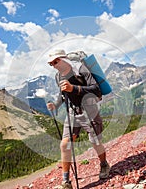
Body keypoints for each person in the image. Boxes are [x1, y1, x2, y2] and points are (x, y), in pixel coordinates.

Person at [46, 50, 110, 189]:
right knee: (65, 144)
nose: (54, 65)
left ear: (64, 59)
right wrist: (55, 105)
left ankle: (104, 165)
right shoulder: (58, 77)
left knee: (95, 142)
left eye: (56, 61)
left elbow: (96, 90)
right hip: (72, 113)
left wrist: (73, 88)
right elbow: (63, 95)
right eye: (51, 64)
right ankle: (66, 182)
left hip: (89, 111)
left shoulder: (81, 70)